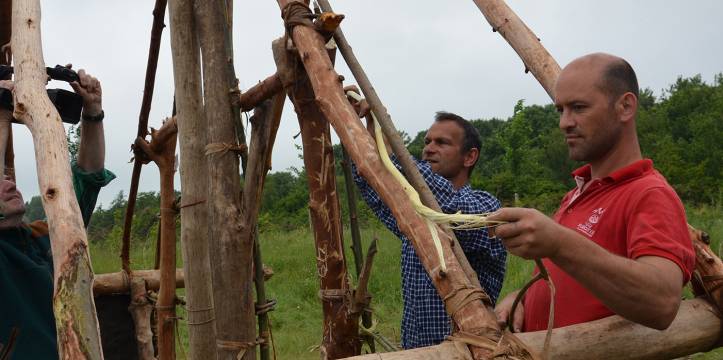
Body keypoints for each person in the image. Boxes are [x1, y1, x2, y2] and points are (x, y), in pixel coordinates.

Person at [491, 53, 694, 333]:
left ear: (625, 107)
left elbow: (662, 303)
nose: (564, 122)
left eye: (578, 107)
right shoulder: (576, 194)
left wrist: (560, 244)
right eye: (560, 110)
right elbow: (572, 284)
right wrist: (522, 299)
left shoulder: (649, 193)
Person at [348, 96, 505, 349]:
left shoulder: (486, 209)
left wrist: (390, 151)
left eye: (442, 143)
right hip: (417, 350)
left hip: (468, 351)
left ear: (469, 157)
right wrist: (360, 130)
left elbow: (449, 210)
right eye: (427, 141)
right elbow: (377, 190)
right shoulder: (414, 217)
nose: (429, 148)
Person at [0, 69, 115, 359]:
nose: (10, 181)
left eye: (7, 176)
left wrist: (92, 112)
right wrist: (3, 113)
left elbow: (87, 179)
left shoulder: (43, 238)